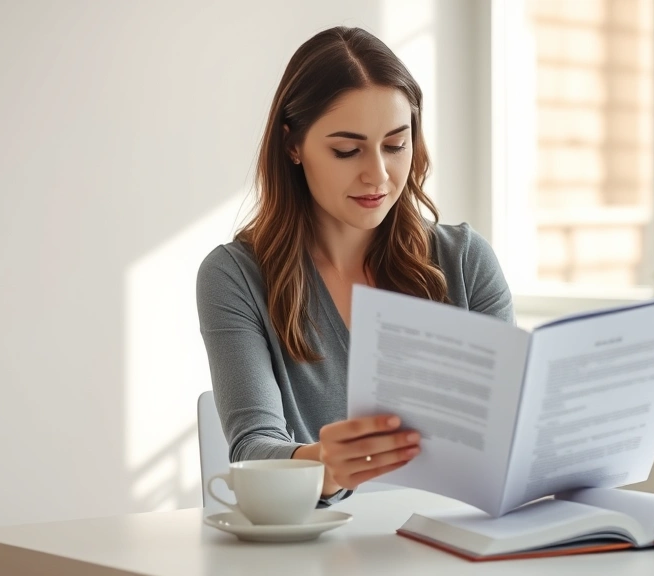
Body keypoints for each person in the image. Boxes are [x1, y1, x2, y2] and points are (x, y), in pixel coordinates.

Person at [195, 26, 515, 507]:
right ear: (292, 145)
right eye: (347, 150)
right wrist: (322, 464)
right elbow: (251, 448)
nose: (378, 175)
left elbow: (508, 432)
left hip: (458, 543)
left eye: (395, 145)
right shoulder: (235, 278)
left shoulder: (465, 261)